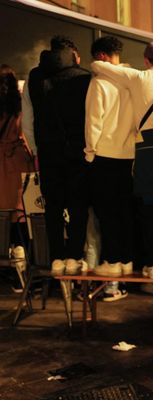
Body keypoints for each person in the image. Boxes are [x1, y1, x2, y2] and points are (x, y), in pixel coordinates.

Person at [92, 41, 153, 282]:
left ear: (146, 60)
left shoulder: (138, 77)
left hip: (147, 148)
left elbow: (101, 67)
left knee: (150, 210)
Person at [25, 36, 91, 275]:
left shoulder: (35, 77)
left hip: (48, 151)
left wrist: (35, 149)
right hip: (77, 151)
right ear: (73, 53)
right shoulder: (84, 77)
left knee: (52, 206)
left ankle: (56, 258)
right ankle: (74, 256)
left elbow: (28, 119)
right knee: (78, 206)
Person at [84, 36, 135, 300]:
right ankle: (126, 261)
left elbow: (94, 121)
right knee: (125, 210)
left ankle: (113, 262)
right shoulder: (132, 81)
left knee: (107, 213)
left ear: (101, 56)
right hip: (128, 155)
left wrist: (90, 153)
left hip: (103, 154)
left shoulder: (99, 83)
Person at [0, 65, 35, 288]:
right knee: (20, 214)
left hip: (0, 164)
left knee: (2, 213)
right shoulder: (19, 107)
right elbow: (27, 134)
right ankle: (21, 274)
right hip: (17, 162)